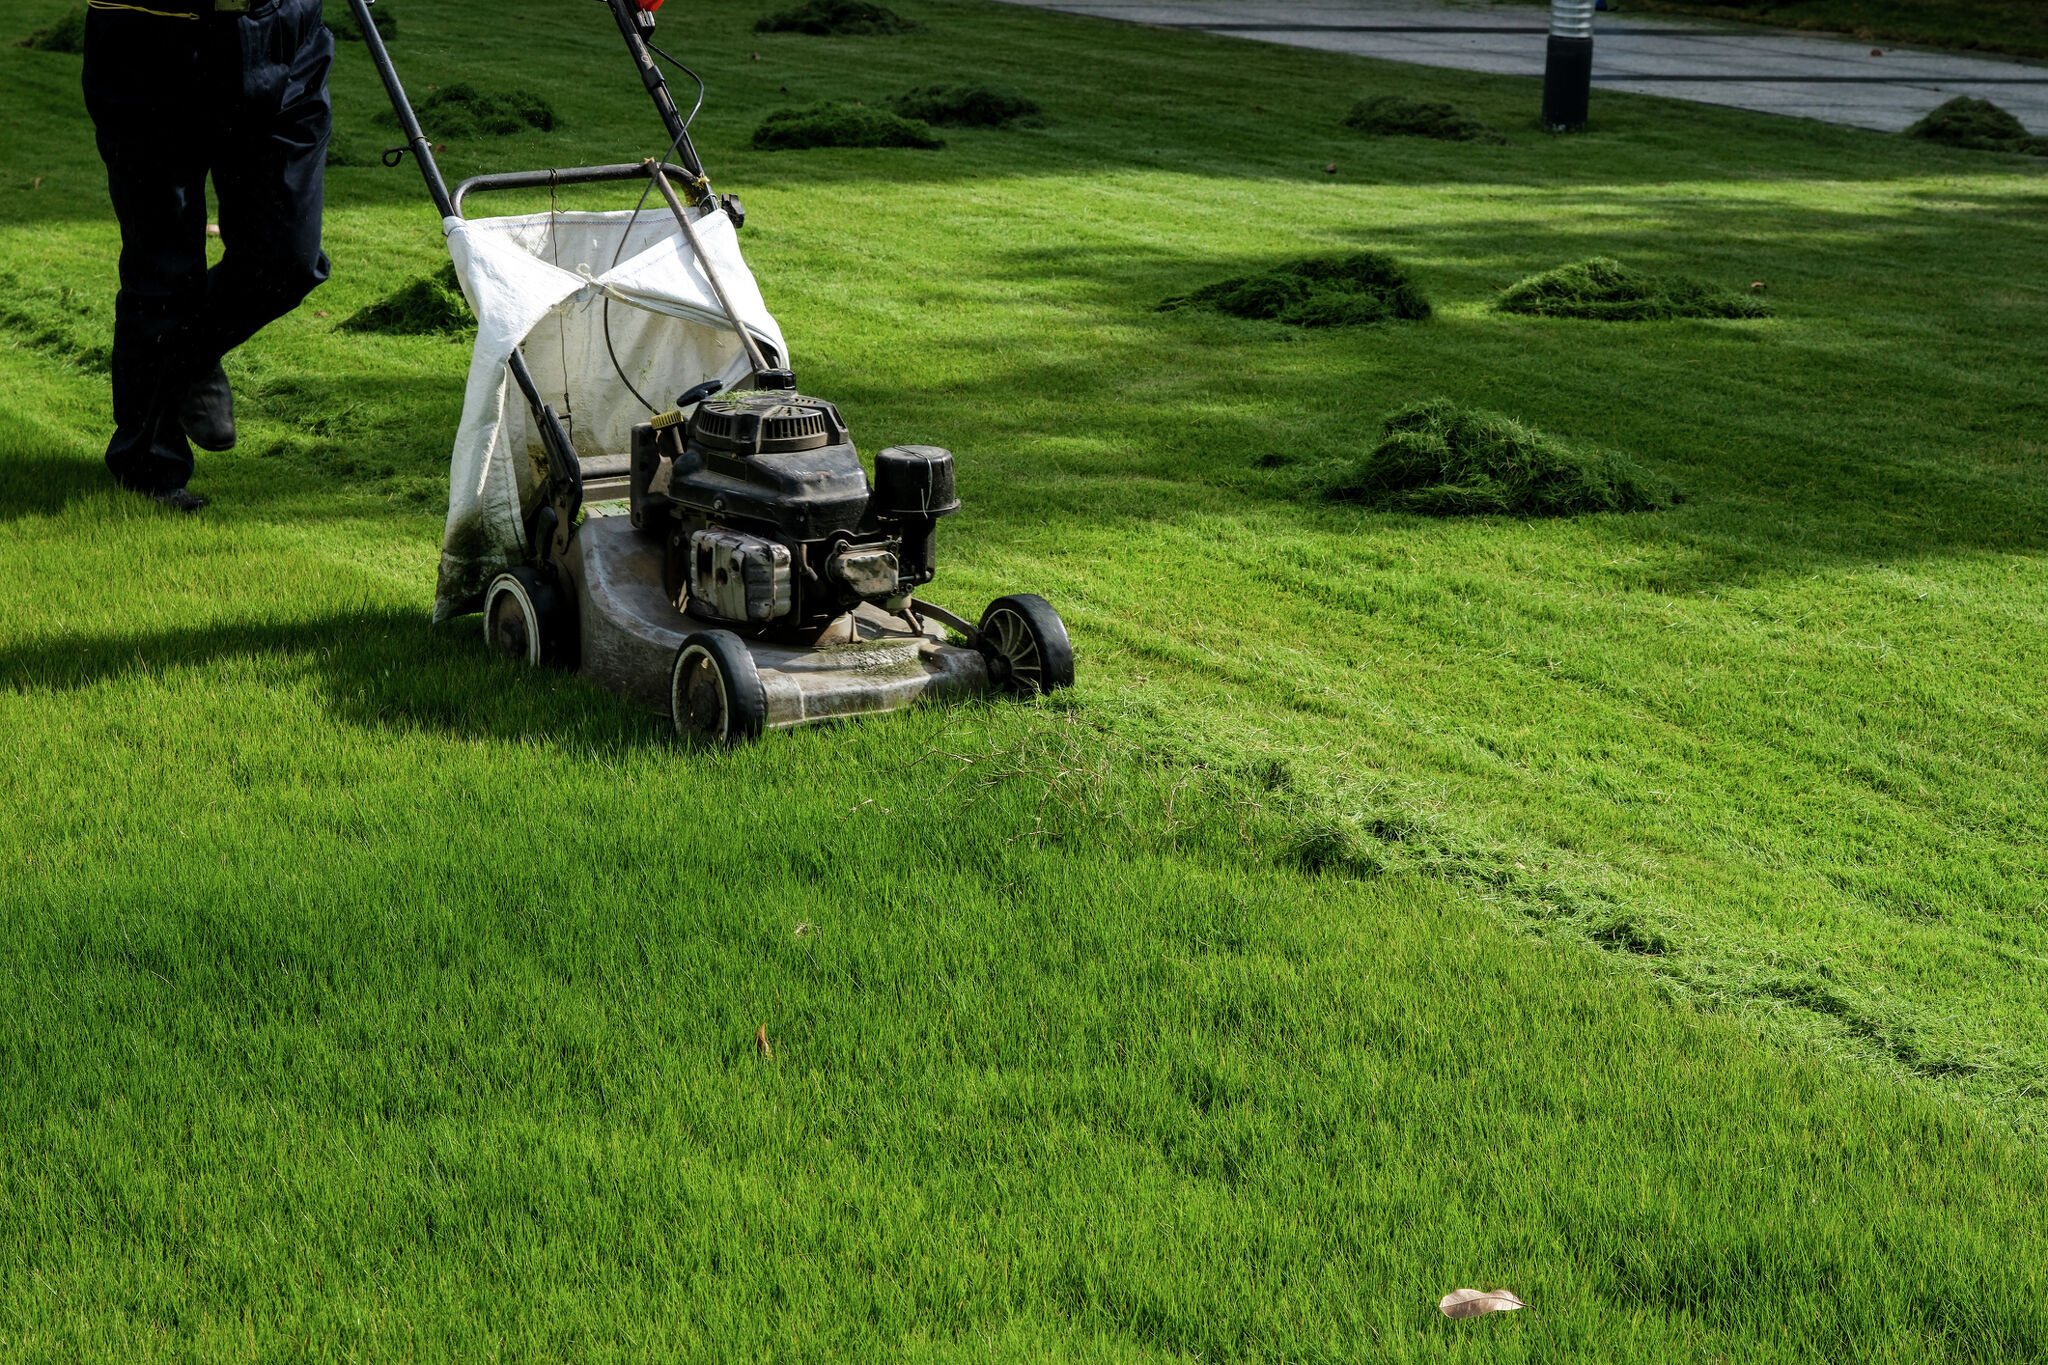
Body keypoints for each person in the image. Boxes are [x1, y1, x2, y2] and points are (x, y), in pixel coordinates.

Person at [82, 0, 334, 511]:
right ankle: (149, 473)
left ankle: (188, 355)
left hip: (282, 31)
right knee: (163, 268)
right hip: (149, 36)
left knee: (286, 262)